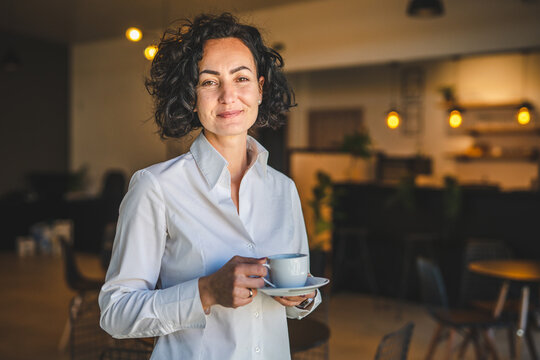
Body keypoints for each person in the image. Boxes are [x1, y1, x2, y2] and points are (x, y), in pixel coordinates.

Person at [99, 13, 321, 359]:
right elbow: (115, 313)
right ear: (191, 97)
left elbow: (298, 290)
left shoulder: (284, 189)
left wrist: (302, 297)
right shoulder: (155, 187)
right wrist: (204, 292)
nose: (228, 95)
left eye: (241, 78)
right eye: (209, 82)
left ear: (260, 88)